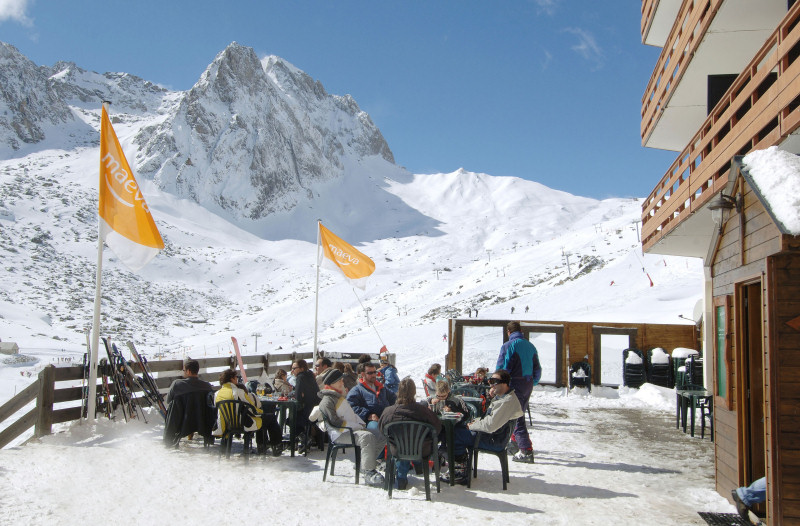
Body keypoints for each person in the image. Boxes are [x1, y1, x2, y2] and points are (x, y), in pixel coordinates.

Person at [317, 369, 386, 488]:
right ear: (332, 383)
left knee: (381, 435)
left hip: (350, 429)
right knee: (367, 437)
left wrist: (358, 424)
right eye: (339, 380)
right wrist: (356, 426)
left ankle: (364, 464)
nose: (342, 382)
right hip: (340, 434)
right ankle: (369, 472)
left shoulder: (338, 396)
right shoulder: (327, 400)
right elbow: (336, 423)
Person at [379, 377, 442, 490]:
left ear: (399, 391)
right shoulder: (423, 411)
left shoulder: (389, 412)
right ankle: (418, 466)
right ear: (414, 392)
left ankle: (401, 477)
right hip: (421, 449)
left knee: (403, 445)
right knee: (414, 444)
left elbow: (382, 429)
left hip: (398, 449)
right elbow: (437, 428)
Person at [496, 321, 542, 463]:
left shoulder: (508, 346)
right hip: (527, 384)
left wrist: (498, 384)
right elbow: (537, 368)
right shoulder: (530, 346)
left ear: (508, 332)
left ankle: (526, 450)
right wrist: (532, 381)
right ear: (520, 331)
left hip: (514, 384)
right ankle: (515, 443)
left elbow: (502, 368)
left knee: (516, 416)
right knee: (517, 414)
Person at [213, 369, 283, 456]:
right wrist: (259, 411)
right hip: (243, 423)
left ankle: (262, 445)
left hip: (226, 424)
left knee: (262, 418)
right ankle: (276, 445)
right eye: (236, 377)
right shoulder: (238, 392)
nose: (237, 379)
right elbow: (251, 408)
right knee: (269, 417)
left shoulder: (217, 394)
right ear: (232, 379)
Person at [467, 369, 524, 453]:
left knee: (458, 434)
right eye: (490, 381)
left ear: (505, 384)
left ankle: (459, 458)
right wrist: (474, 422)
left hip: (493, 440)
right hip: (491, 436)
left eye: (494, 382)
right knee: (460, 431)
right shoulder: (503, 397)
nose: (491, 385)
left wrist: (470, 426)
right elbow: (489, 418)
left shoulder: (506, 402)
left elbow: (489, 426)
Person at [346, 361, 397, 431]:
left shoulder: (382, 388)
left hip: (385, 418)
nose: (373, 375)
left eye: (374, 372)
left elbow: (394, 399)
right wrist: (368, 415)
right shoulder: (357, 390)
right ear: (363, 374)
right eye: (370, 373)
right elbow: (351, 406)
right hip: (369, 422)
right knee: (376, 428)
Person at [292, 359, 320, 451]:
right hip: (315, 408)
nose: (292, 371)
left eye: (294, 368)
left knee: (291, 419)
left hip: (307, 410)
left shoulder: (301, 377)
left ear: (301, 368)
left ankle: (304, 439)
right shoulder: (310, 375)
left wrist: (299, 396)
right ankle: (304, 438)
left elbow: (298, 397)